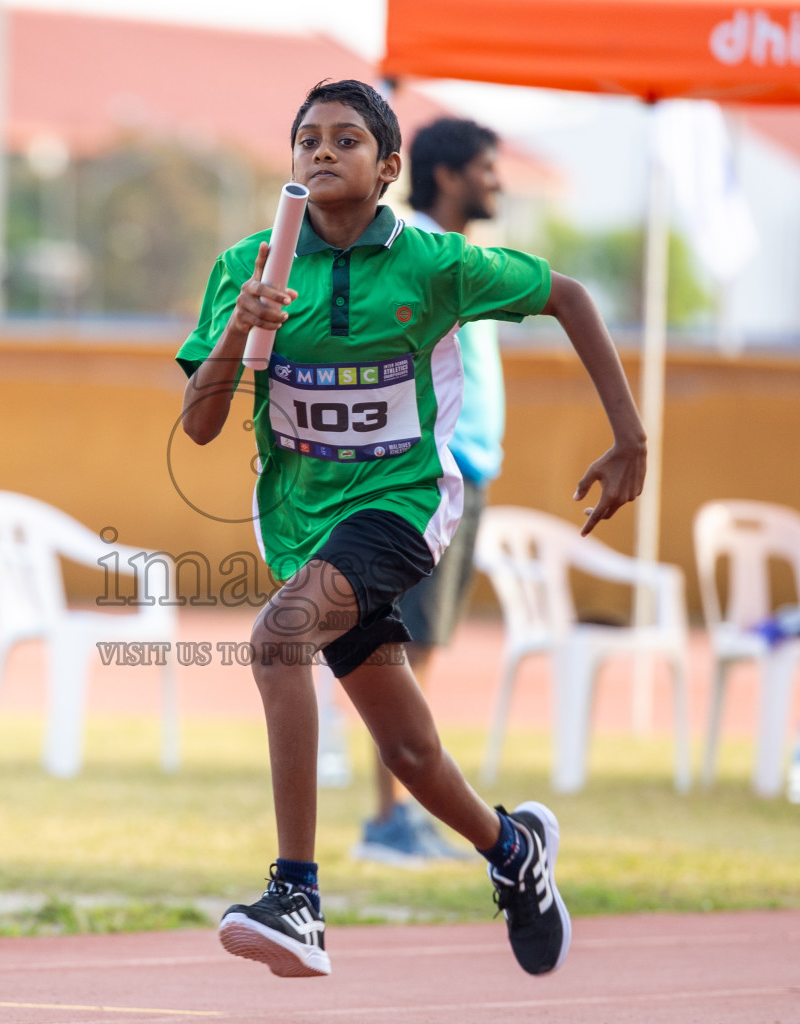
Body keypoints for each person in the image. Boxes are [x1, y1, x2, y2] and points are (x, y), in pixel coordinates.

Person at [177, 80, 645, 980]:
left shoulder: (436, 264)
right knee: (409, 749)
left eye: (346, 139)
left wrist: (630, 438)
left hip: (404, 505)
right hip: (300, 523)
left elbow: (571, 296)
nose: (321, 152)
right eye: (306, 138)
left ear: (389, 167)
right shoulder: (248, 267)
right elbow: (198, 426)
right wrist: (240, 329)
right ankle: (513, 849)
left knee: (279, 640)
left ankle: (297, 897)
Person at [352, 117, 511, 866]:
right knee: (404, 654)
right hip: (427, 477)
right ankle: (388, 823)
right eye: (486, 168)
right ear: (446, 175)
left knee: (427, 649)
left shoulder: (458, 255)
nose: (497, 181)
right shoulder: (411, 253)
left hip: (465, 470)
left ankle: (400, 818)